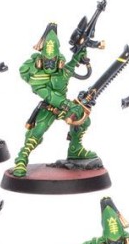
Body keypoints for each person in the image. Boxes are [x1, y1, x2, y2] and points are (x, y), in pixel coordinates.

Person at [13, 23, 96, 177]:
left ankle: (75, 149)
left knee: (84, 120)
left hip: (64, 107)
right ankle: (21, 159)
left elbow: (71, 66)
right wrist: (67, 105)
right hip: (49, 108)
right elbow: (48, 95)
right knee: (37, 132)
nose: (50, 64)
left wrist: (80, 52)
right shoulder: (36, 75)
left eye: (53, 61)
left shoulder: (62, 70)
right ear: (41, 60)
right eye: (46, 60)